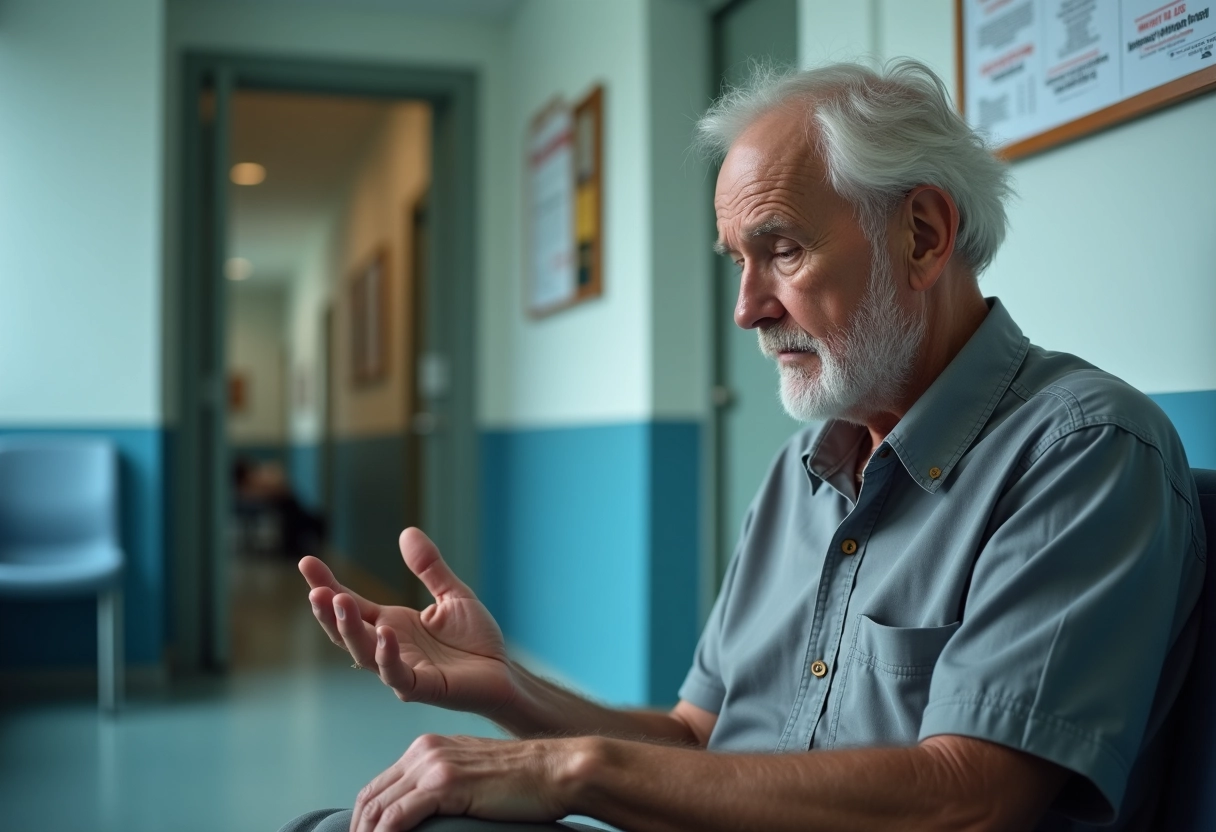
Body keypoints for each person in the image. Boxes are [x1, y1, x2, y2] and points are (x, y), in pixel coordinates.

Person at [281, 59, 1205, 832]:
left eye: (784, 251)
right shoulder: (800, 474)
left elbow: (968, 799)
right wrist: (508, 690)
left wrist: (572, 769)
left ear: (923, 236)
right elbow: (698, 739)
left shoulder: (1084, 449)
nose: (747, 308)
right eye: (738, 260)